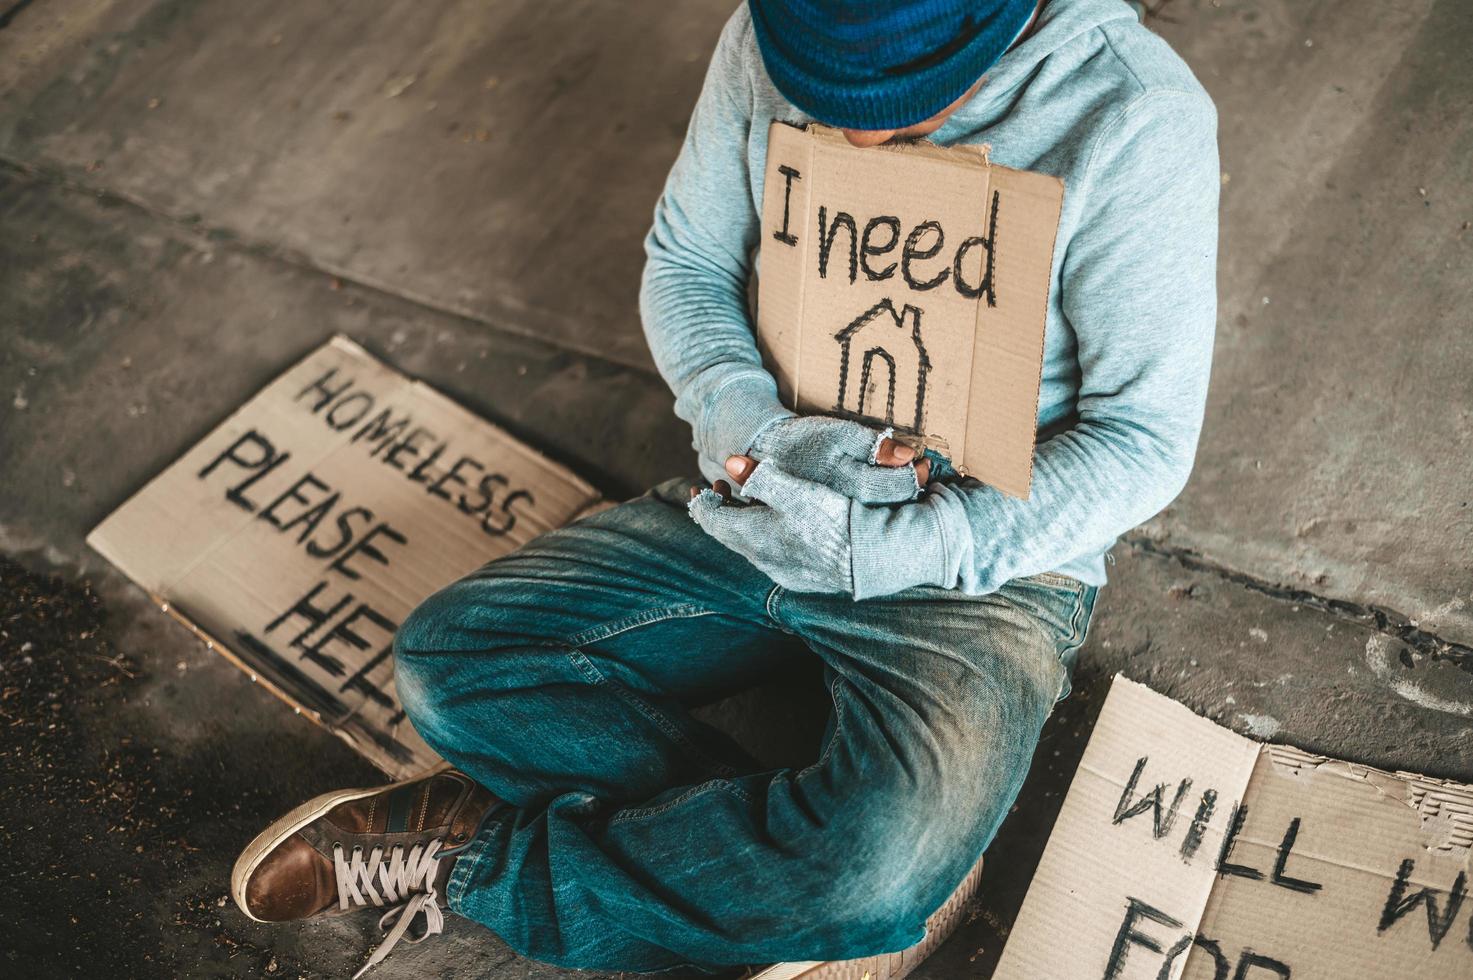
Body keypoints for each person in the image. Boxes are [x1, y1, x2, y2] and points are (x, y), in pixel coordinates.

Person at [230, 0, 1219, 975]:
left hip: (981, 566)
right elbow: (687, 262)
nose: (857, 133)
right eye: (821, 97)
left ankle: (472, 851)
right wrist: (759, 433)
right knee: (451, 662)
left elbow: (1143, 437)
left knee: (870, 870)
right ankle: (792, 889)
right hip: (764, 494)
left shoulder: (1131, 113)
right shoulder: (760, 35)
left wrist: (908, 544)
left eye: (902, 105)